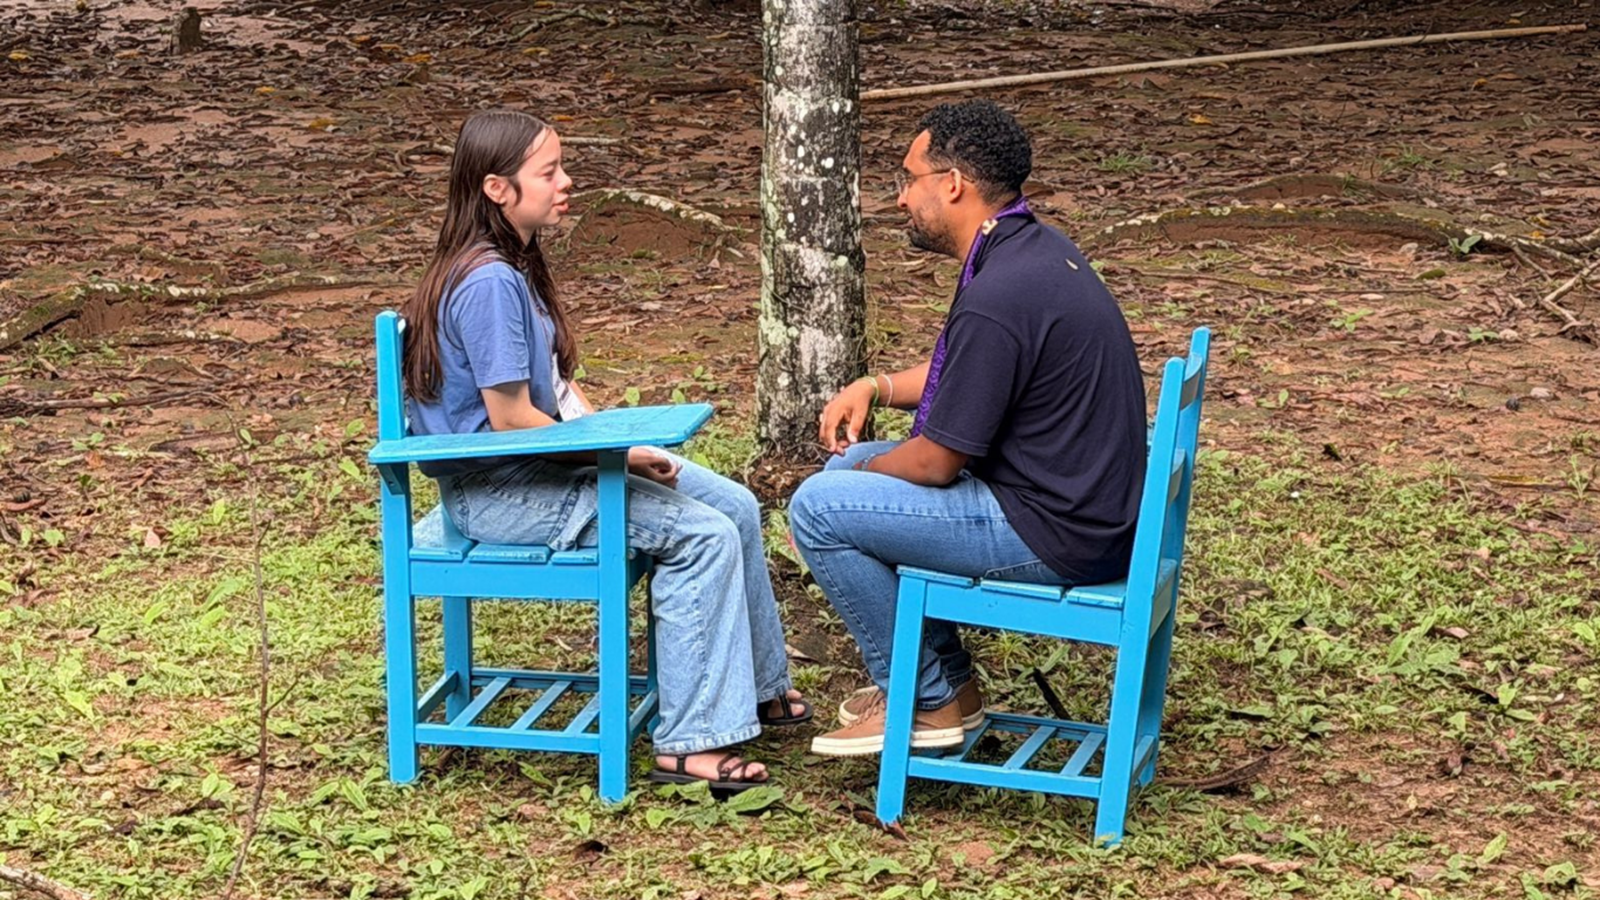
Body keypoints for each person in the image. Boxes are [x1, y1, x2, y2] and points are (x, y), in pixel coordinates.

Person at [401, 109, 809, 792]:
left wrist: (625, 445)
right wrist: (609, 459)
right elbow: (512, 421)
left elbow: (557, 391)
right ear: (497, 188)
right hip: (502, 494)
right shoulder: (488, 282)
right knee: (701, 536)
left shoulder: (514, 265)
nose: (566, 182)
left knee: (734, 506)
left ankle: (757, 686)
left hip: (539, 472)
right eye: (549, 172)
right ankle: (692, 743)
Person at [789, 100, 1148, 757]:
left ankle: (923, 703)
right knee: (841, 478)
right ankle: (952, 688)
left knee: (818, 507)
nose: (901, 198)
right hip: (1082, 509)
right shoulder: (1030, 249)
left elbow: (935, 463)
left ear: (952, 183)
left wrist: (863, 471)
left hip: (1056, 531)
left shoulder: (1000, 294)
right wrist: (876, 387)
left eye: (909, 178)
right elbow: (968, 372)